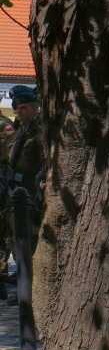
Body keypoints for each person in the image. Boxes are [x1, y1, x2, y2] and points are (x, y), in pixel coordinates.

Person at [1, 85, 46, 303]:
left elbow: (46, 165)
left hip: (31, 198)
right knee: (14, 244)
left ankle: (31, 292)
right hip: (12, 199)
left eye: (24, 107)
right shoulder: (14, 137)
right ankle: (23, 287)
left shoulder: (40, 136)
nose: (19, 111)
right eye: (17, 108)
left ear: (35, 108)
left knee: (30, 245)